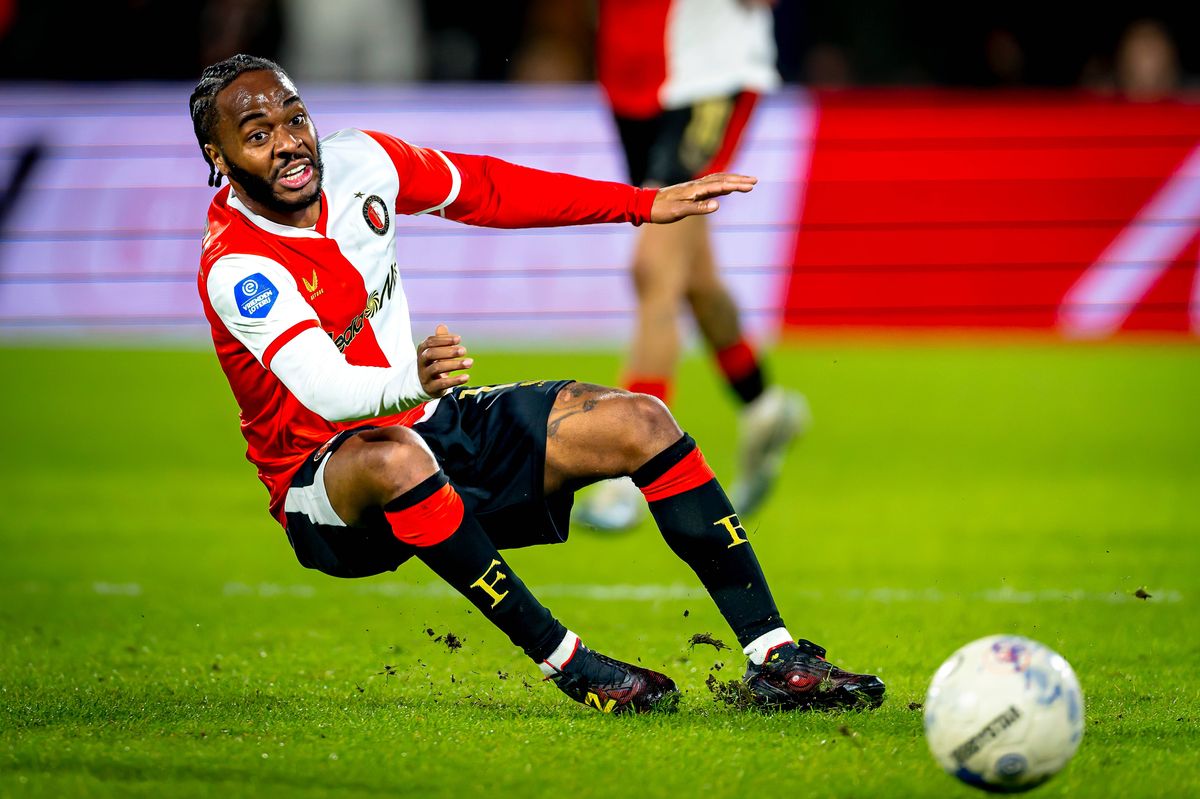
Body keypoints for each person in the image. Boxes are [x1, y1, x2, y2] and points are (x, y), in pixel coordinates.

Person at [190, 54, 883, 714]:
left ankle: (777, 659)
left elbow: (488, 189)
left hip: (426, 423)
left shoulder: (361, 162)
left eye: (295, 118)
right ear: (219, 157)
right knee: (394, 458)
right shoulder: (238, 267)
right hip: (326, 489)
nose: (289, 143)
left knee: (642, 419)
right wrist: (411, 378)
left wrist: (641, 204)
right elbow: (328, 390)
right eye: (258, 135)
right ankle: (570, 663)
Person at [575, 0, 808, 531]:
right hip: (633, 74)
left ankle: (631, 464)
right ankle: (764, 404)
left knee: (654, 265)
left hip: (709, 71)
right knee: (691, 273)